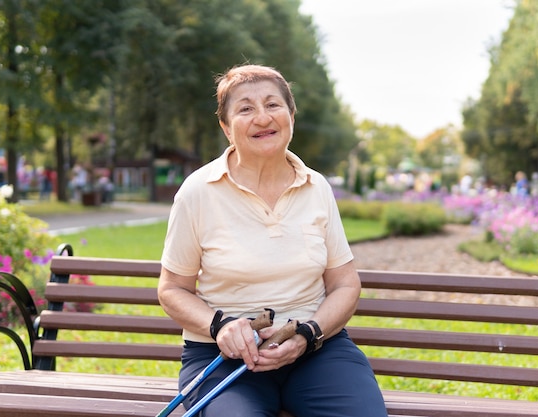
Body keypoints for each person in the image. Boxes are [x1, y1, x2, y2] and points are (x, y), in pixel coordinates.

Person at [158, 64, 387, 417]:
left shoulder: (317, 187)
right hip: (224, 358)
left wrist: (308, 334)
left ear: (291, 116)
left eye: (273, 105)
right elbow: (172, 289)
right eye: (246, 109)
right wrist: (221, 327)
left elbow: (345, 284)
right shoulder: (197, 192)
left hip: (316, 351)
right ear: (226, 128)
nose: (262, 117)